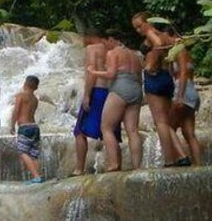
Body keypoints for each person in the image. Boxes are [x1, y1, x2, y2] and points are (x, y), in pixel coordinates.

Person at [132, 12, 185, 167]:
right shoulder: (166, 35)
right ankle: (181, 155)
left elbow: (158, 45)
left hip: (154, 78)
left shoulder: (151, 33)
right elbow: (172, 45)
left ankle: (169, 160)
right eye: (135, 28)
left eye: (139, 26)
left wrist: (149, 65)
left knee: (160, 122)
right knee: (166, 122)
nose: (138, 30)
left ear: (148, 22)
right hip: (166, 78)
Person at [88, 31, 143, 171]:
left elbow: (111, 74)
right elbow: (140, 78)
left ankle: (114, 164)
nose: (105, 46)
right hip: (136, 89)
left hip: (120, 87)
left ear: (111, 39)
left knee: (106, 127)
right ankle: (137, 166)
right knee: (133, 130)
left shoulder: (113, 53)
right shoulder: (136, 55)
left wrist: (93, 72)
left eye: (105, 42)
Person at [71, 29, 120, 176]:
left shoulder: (92, 48)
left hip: (97, 91)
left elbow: (91, 72)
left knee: (79, 131)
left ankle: (79, 169)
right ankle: (117, 164)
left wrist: (87, 94)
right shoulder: (113, 51)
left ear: (90, 37)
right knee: (110, 131)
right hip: (111, 92)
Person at [166, 27, 200, 166]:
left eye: (166, 37)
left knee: (167, 126)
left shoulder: (180, 50)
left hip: (184, 91)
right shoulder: (182, 52)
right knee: (189, 133)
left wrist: (179, 96)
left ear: (172, 35)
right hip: (192, 92)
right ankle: (198, 166)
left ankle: (182, 157)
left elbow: (184, 73)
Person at [11, 75, 43, 184]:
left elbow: (16, 111)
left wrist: (12, 125)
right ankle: (37, 176)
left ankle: (36, 176)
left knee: (22, 152)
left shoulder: (21, 96)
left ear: (25, 84)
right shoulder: (35, 99)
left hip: (25, 128)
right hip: (34, 127)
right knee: (34, 154)